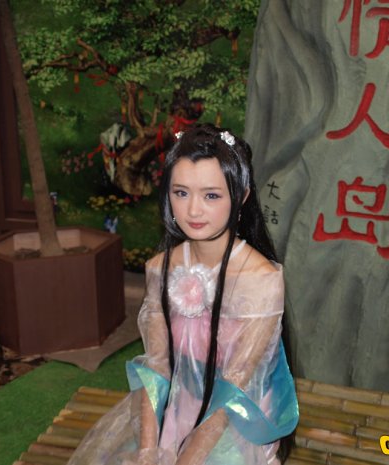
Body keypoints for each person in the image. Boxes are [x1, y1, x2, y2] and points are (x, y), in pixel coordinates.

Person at [67, 124, 299, 465]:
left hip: (236, 416)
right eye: (181, 192)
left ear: (242, 196)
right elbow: (158, 367)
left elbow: (235, 385)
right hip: (180, 404)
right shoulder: (160, 268)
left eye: (211, 195)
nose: (192, 211)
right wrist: (148, 451)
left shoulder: (260, 279)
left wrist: (187, 459)